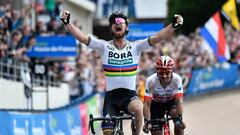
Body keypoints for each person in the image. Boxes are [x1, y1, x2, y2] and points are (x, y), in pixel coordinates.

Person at [59, 10, 183, 135]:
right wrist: (67, 23)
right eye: (114, 22)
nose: (117, 23)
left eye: (121, 21)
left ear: (126, 27)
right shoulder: (104, 46)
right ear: (111, 27)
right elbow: (83, 38)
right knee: (108, 132)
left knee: (138, 108)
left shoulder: (136, 46)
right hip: (111, 99)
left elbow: (156, 38)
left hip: (129, 96)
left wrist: (172, 26)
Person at [143, 56, 186, 135]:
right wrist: (147, 122)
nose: (164, 76)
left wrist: (180, 118)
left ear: (171, 71)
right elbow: (146, 104)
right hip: (156, 104)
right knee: (156, 132)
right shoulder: (151, 80)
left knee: (178, 122)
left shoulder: (177, 79)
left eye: (167, 73)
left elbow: (179, 101)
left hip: (171, 102)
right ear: (157, 71)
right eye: (161, 73)